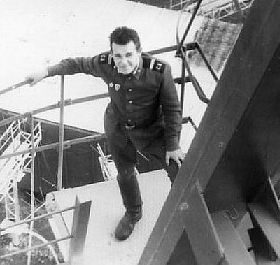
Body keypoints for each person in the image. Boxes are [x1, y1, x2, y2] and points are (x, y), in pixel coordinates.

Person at [26, 26, 184, 241]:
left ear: (139, 52)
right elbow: (76, 64)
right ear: (111, 54)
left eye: (129, 55)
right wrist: (46, 72)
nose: (123, 62)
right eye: (118, 56)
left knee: (178, 168)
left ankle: (186, 212)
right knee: (125, 173)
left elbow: (172, 108)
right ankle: (133, 213)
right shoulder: (105, 64)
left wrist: (173, 144)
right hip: (118, 128)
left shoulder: (159, 71)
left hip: (151, 130)